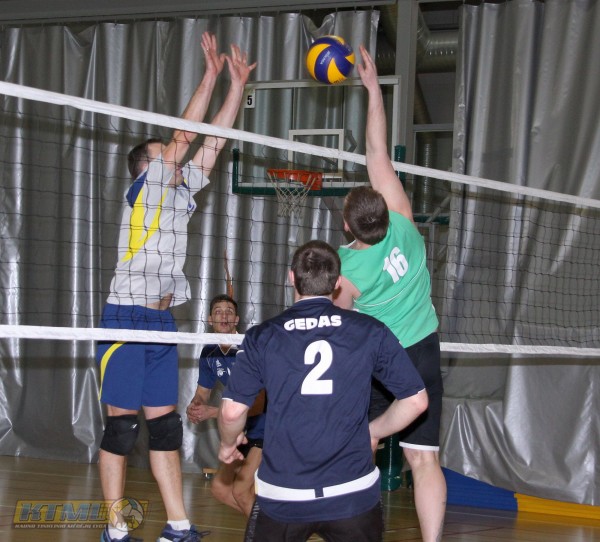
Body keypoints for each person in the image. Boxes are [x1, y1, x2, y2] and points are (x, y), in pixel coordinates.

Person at [95, 32, 256, 542]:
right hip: (125, 317)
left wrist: (236, 86)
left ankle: (178, 526)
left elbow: (213, 143)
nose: (176, 157)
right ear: (148, 168)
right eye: (165, 153)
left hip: (162, 323)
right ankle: (115, 530)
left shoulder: (181, 196)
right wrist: (208, 76)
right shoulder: (145, 192)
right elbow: (186, 137)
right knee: (122, 428)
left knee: (165, 428)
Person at [218, 240, 428, 542]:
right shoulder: (370, 330)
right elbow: (417, 401)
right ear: (338, 282)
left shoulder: (262, 336)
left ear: (291, 277)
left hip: (284, 496)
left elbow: (231, 412)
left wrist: (228, 444)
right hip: (352, 494)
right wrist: (374, 430)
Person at [334, 46, 447, 542]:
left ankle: (355, 530)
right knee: (424, 459)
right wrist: (373, 88)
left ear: (348, 225)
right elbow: (378, 152)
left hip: (383, 360)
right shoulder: (402, 219)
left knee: (360, 447)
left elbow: (338, 323)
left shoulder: (347, 272)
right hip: (424, 347)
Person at [186, 294, 265, 517]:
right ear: (210, 319)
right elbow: (202, 393)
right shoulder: (209, 352)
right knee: (221, 489)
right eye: (218, 312)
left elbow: (258, 404)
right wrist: (195, 406)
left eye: (229, 312)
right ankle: (269, 527)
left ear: (236, 319)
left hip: (267, 426)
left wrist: (212, 412)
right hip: (242, 430)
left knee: (241, 491)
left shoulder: (248, 348)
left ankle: (268, 531)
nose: (224, 316)